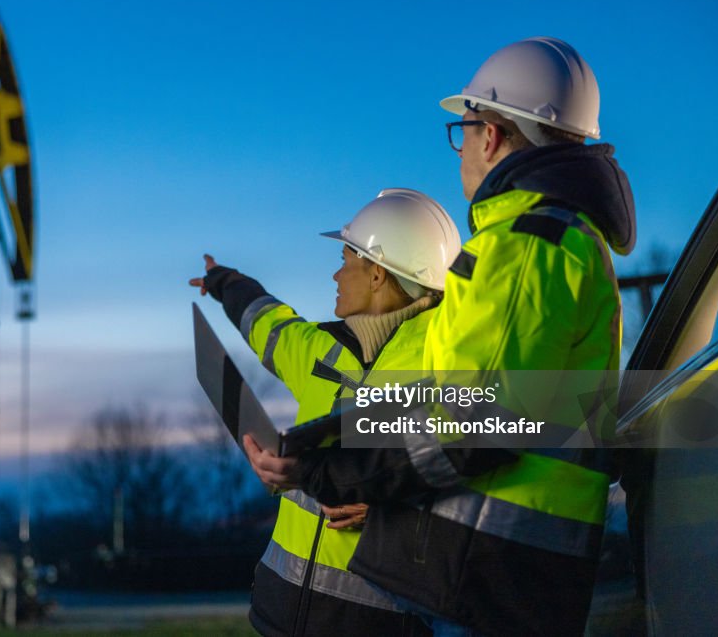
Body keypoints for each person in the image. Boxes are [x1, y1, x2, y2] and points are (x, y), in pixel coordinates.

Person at [244, 37, 637, 637]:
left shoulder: (526, 244)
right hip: (493, 571)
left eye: (464, 131)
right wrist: (322, 441)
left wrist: (325, 472)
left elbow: (472, 420)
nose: (463, 151)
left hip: (489, 578)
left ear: (491, 136)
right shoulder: (554, 240)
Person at [190, 188, 460, 637]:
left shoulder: (450, 366)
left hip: (379, 625)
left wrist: (391, 515)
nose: (336, 275)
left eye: (345, 261)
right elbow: (267, 321)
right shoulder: (321, 348)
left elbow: (485, 488)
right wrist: (225, 281)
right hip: (280, 612)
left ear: (377, 274)